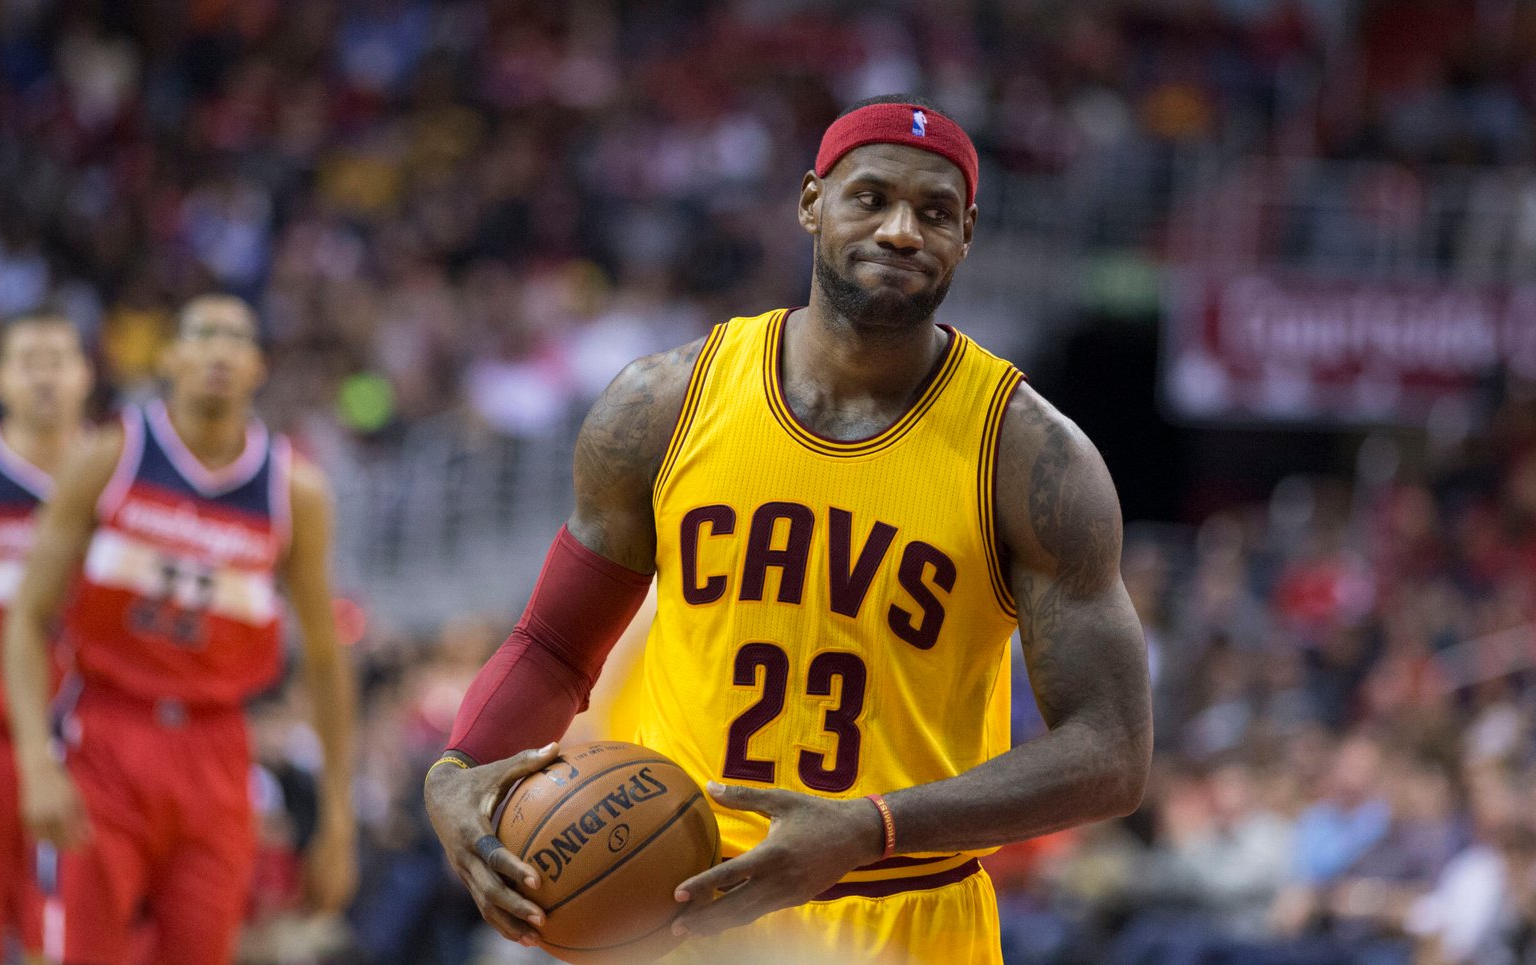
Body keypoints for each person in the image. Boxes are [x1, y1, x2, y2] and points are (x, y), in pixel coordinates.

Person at [424, 95, 1153, 963]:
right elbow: (553, 643)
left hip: (906, 911)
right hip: (684, 899)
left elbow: (1111, 749)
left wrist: (871, 827)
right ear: (812, 202)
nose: (899, 231)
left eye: (934, 212)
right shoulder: (663, 403)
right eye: (870, 197)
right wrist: (458, 772)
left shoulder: (1031, 457)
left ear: (967, 235)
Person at [1, 295, 357, 965]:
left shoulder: (295, 492)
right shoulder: (108, 458)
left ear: (259, 365)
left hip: (217, 744)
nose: (218, 349)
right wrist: (33, 760)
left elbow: (325, 657)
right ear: (172, 358)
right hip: (105, 732)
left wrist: (337, 817)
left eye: (235, 337)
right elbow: (26, 618)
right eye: (202, 334)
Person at [0, 312, 93, 965]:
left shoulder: (112, 478)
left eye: (58, 358)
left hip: (90, 743)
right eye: (28, 359)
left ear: (85, 376)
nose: (44, 374)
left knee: (73, 940)